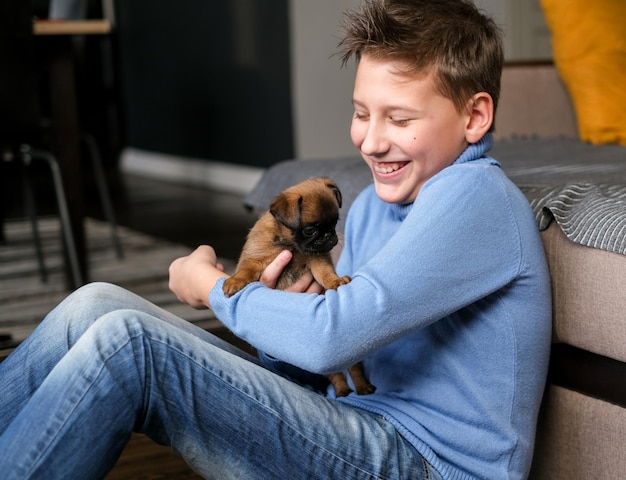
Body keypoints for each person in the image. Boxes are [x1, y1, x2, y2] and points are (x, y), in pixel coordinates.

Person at [0, 0, 551, 478]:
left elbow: (332, 337)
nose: (372, 140)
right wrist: (280, 322)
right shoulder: (370, 212)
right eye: (361, 113)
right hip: (353, 423)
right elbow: (311, 364)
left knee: (129, 344)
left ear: (476, 115)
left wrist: (215, 289)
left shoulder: (476, 196)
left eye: (400, 119)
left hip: (424, 460)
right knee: (93, 304)